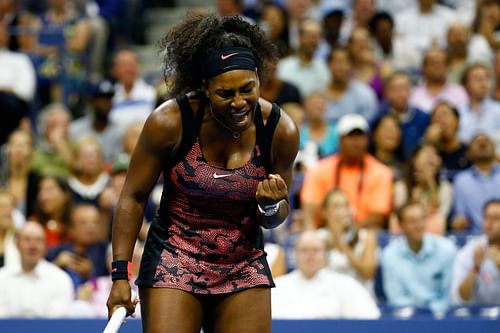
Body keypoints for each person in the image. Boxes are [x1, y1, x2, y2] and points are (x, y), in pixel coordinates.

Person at [106, 13, 299, 333]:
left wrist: (268, 205)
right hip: (173, 259)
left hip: (243, 265)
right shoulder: (169, 122)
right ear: (206, 88)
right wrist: (119, 276)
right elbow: (133, 197)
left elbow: (274, 217)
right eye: (226, 93)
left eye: (247, 89)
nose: (239, 102)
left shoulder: (280, 130)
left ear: (258, 78)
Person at [301, 113, 393, 229]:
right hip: (326, 232)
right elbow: (310, 208)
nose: (356, 142)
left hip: (364, 233)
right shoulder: (318, 169)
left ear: (367, 140)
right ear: (340, 140)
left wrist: (350, 233)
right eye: (350, 136)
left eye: (360, 136)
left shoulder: (382, 172)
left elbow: (378, 216)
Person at [271, 230, 380, 319]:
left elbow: (369, 319)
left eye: (316, 250)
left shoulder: (345, 285)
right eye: (304, 250)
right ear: (295, 255)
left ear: (325, 255)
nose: (310, 255)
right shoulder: (279, 287)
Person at [381, 202, 457, 317]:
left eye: (422, 219)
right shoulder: (390, 255)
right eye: (412, 221)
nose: (419, 225)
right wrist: (417, 314)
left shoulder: (446, 249)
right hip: (405, 319)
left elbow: (448, 295)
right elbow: (395, 297)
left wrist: (431, 313)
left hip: (441, 317)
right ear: (401, 225)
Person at [0, 221, 74, 318]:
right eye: (27, 239)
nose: (33, 246)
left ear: (46, 246)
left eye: (38, 240)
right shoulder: (2, 277)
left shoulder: (60, 279)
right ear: (17, 245)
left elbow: (56, 322)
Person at [451, 199, 500, 305]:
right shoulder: (470, 251)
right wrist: (475, 268)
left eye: (496, 218)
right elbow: (461, 297)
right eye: (486, 217)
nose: (489, 223)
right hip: (479, 317)